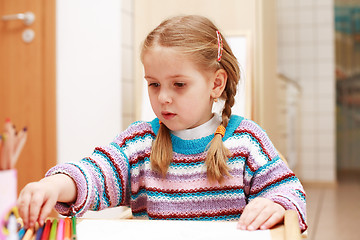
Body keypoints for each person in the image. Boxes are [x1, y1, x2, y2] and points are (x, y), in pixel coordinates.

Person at [17, 15, 307, 232]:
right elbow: (96, 172)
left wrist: (277, 205)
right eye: (154, 84)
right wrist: (53, 186)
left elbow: (290, 192)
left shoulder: (247, 140)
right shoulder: (140, 143)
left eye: (178, 84)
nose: (163, 98)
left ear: (216, 83)